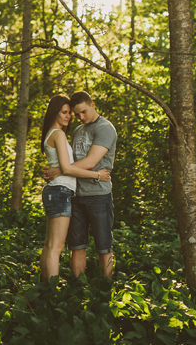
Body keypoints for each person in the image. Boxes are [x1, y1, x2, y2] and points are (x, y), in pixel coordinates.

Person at [43, 90, 117, 278]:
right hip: (75, 196)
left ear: (93, 105)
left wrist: (59, 170)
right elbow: (66, 159)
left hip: (99, 195)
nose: (80, 117)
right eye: (76, 114)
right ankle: (78, 289)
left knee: (104, 247)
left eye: (83, 112)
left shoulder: (105, 128)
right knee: (76, 246)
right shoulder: (76, 130)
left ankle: (105, 290)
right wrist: (60, 169)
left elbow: (91, 160)